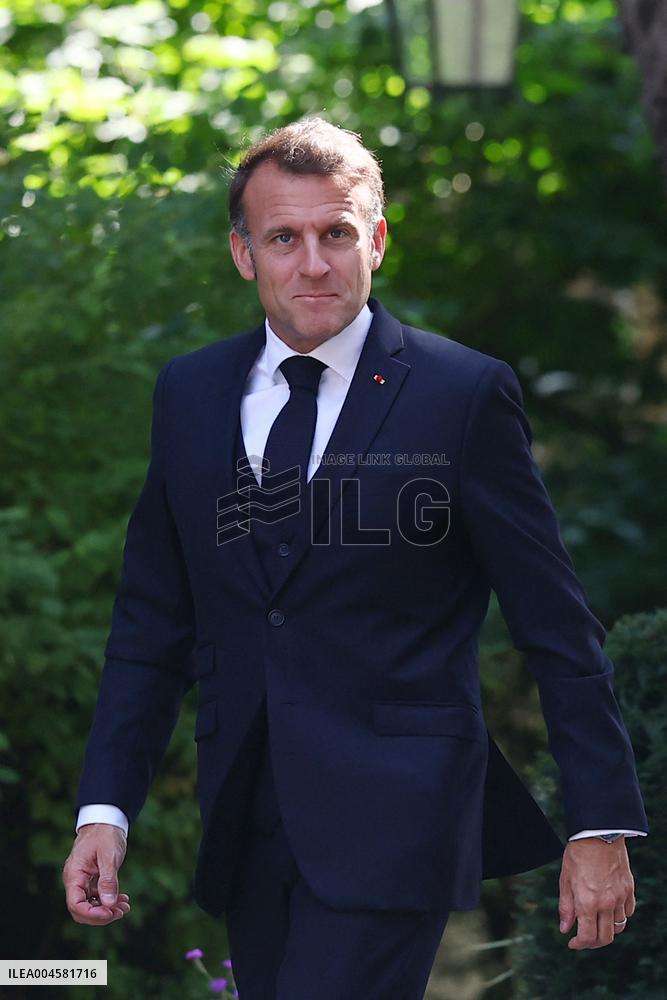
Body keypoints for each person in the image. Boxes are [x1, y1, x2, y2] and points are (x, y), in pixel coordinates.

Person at [63, 118, 648, 999]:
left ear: (374, 238)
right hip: (246, 815)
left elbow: (555, 623)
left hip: (395, 812)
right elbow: (150, 625)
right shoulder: (190, 393)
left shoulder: (461, 394)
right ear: (242, 254)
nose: (312, 263)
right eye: (283, 238)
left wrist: (599, 823)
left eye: (335, 233)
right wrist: (105, 807)